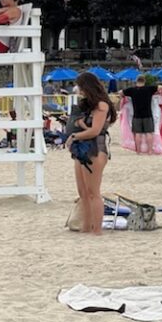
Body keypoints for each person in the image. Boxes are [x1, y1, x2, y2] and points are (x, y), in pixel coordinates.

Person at [65, 72, 117, 235]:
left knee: (93, 192)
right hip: (81, 148)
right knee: (83, 192)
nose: (79, 90)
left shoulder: (102, 105)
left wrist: (74, 136)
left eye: (81, 87)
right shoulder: (89, 105)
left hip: (95, 149)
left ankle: (97, 229)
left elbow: (96, 131)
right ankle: (86, 227)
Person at [122, 75, 162, 154]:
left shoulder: (132, 90)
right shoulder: (149, 89)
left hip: (136, 115)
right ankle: (150, 150)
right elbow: (160, 87)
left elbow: (121, 93)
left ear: (136, 81)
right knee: (149, 133)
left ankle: (138, 151)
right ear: (144, 81)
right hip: (148, 114)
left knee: (138, 133)